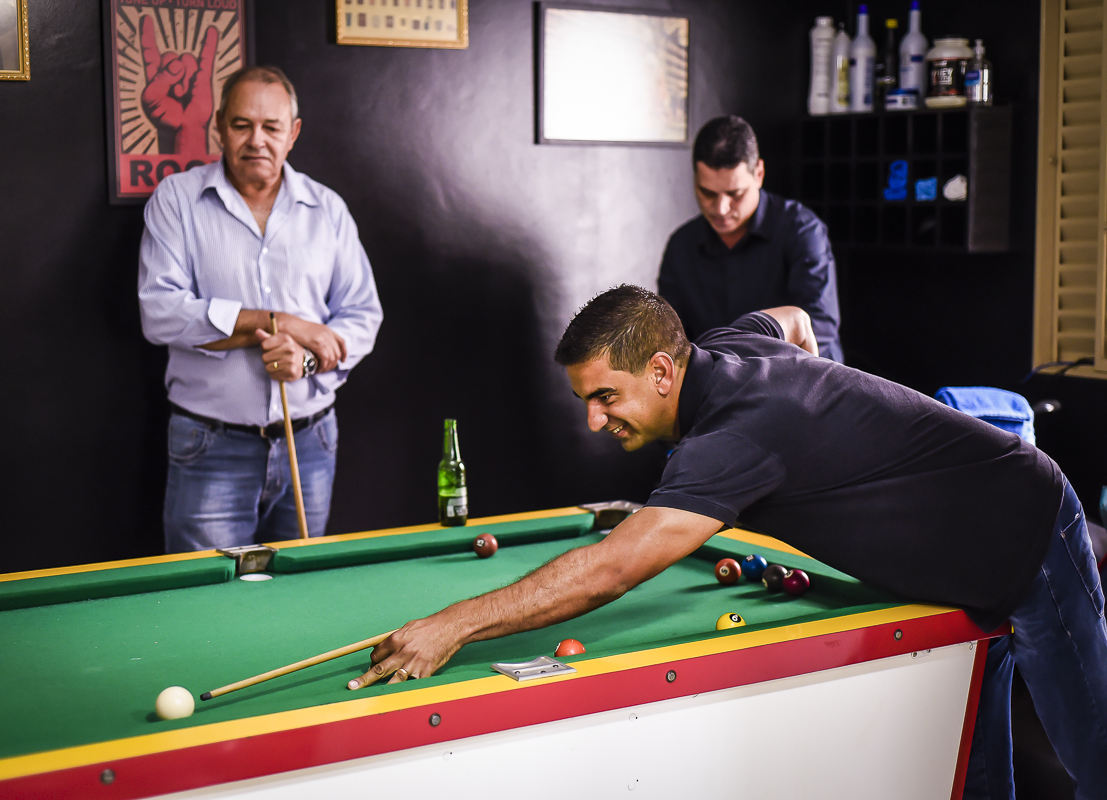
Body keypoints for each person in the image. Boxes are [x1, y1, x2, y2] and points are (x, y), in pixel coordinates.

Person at [348, 286, 1106, 800]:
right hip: (949, 561)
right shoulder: (725, 346)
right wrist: (838, 428)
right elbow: (795, 320)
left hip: (1024, 532)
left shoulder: (731, 439)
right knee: (969, 762)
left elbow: (610, 569)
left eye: (605, 397)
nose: (593, 420)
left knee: (1089, 752)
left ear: (660, 370)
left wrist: (452, 624)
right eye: (585, 400)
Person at [138, 65, 382, 552]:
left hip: (310, 444)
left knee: (299, 590)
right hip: (209, 445)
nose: (257, 140)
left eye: (271, 127)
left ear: (293, 133)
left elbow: (362, 316)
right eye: (241, 124)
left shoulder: (328, 209)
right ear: (219, 127)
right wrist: (282, 323)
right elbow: (161, 314)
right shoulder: (177, 199)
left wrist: (307, 358)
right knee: (209, 594)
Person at [657, 116, 844, 362]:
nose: (721, 208)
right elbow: (670, 338)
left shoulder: (801, 230)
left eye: (735, 193)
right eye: (708, 193)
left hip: (798, 377)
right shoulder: (681, 246)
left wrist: (736, 371)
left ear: (759, 174)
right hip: (716, 382)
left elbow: (820, 327)